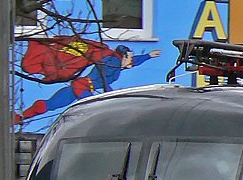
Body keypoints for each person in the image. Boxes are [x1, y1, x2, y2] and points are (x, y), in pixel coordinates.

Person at [16, 38, 161, 122]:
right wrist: (111, 96)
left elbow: (131, 62)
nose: (131, 60)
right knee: (94, 112)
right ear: (123, 57)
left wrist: (148, 55)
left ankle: (21, 116)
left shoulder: (112, 60)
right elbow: (104, 79)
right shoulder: (113, 62)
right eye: (129, 57)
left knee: (51, 104)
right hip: (84, 88)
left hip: (78, 87)